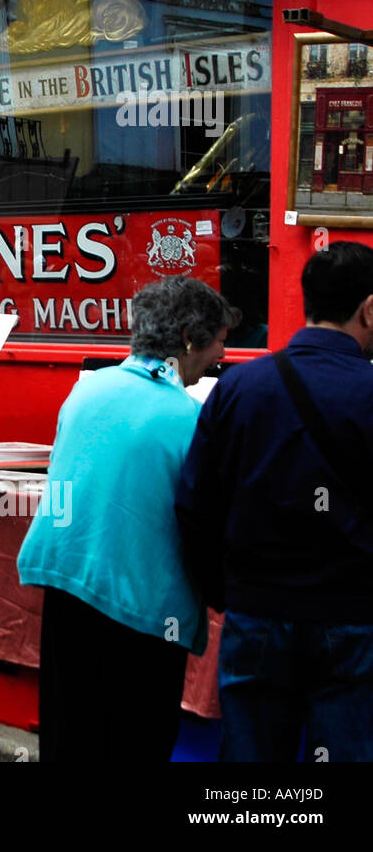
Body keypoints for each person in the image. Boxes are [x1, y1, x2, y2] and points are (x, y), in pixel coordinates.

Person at [17, 276, 236, 761]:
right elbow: (202, 517)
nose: (222, 352)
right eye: (219, 338)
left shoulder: (88, 391)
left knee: (70, 731)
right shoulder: (189, 417)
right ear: (188, 340)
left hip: (66, 582)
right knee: (137, 739)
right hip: (140, 602)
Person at [176, 241, 373, 762]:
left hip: (256, 613)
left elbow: (195, 505)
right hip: (353, 619)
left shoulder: (239, 386)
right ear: (369, 309)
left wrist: (228, 592)